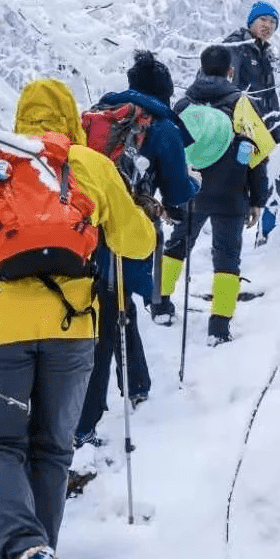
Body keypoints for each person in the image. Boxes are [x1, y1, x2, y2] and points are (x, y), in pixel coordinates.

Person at [0, 78, 154, 559]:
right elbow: (139, 243)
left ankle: (22, 552)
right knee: (52, 450)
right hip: (71, 329)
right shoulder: (89, 165)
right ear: (70, 120)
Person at [73, 51, 200, 448]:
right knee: (108, 317)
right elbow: (178, 190)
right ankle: (83, 424)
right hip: (124, 231)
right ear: (164, 92)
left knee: (112, 305)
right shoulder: (162, 127)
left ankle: (137, 383)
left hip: (81, 229)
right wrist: (193, 183)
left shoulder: (96, 114)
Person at [151, 44, 270, 345]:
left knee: (177, 247)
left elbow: (168, 151)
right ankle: (218, 327)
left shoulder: (182, 104)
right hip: (231, 193)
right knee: (228, 258)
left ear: (201, 69)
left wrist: (167, 196)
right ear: (230, 71)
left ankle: (160, 305)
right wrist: (258, 200)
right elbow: (257, 156)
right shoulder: (241, 104)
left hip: (192, 190)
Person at [223, 0, 280, 242]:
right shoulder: (236, 47)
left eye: (272, 22)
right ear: (251, 21)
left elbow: (269, 96)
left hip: (262, 131)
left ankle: (266, 235)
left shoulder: (263, 53)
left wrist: (277, 134)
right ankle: (234, 238)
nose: (267, 25)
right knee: (245, 186)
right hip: (241, 132)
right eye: (263, 20)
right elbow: (225, 89)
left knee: (275, 181)